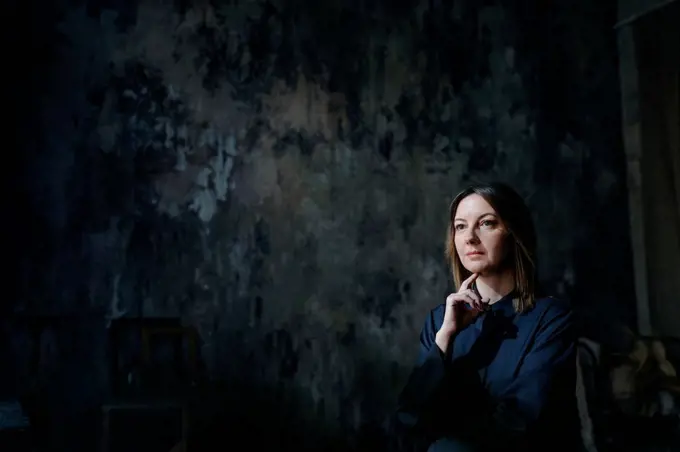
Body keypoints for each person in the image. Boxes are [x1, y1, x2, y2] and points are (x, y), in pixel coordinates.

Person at [389, 182, 579, 452]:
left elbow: (520, 421)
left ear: (514, 233)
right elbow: (406, 421)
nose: (470, 238)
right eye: (460, 226)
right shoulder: (440, 321)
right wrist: (443, 340)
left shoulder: (550, 318)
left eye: (487, 223)